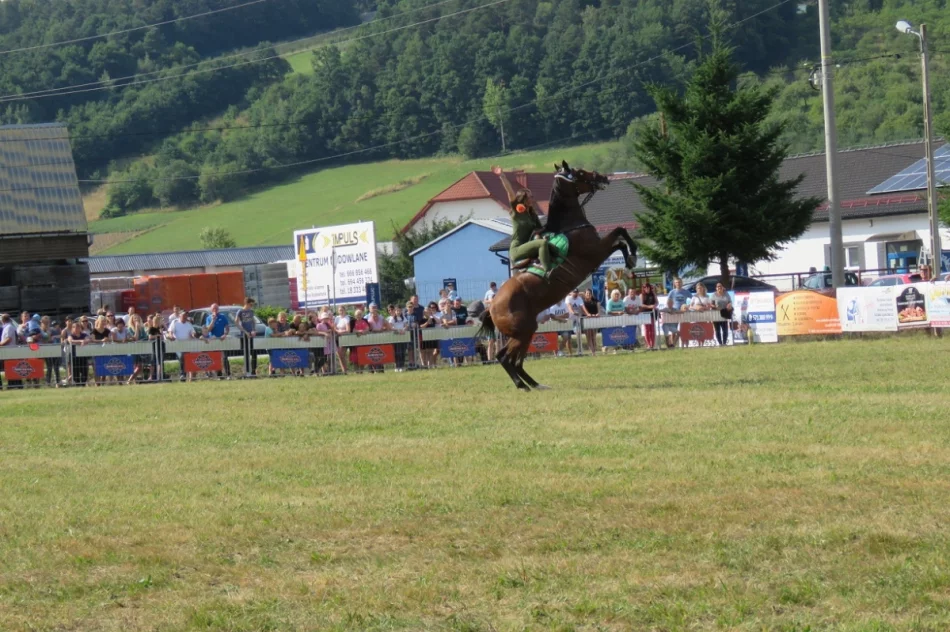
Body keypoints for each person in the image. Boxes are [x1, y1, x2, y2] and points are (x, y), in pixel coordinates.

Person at [492, 166, 552, 275]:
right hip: (517, 249)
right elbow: (510, 192)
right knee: (542, 243)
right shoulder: (517, 210)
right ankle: (548, 271)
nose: (532, 199)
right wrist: (502, 176)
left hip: (529, 246)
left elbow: (541, 229)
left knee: (549, 242)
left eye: (532, 196)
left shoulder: (533, 215)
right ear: (523, 199)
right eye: (529, 197)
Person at [167, 310, 198, 382]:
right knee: (182, 357)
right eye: (184, 315)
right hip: (178, 345)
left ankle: (184, 376)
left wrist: (193, 334)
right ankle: (182, 374)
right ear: (180, 315)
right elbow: (170, 332)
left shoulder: (188, 324)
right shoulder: (175, 322)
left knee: (186, 359)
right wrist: (171, 336)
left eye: (186, 315)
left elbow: (193, 332)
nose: (185, 317)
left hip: (187, 345)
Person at [204, 303, 231, 379]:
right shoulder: (208, 318)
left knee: (225, 357)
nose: (215, 310)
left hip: (222, 340)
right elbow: (208, 329)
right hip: (213, 340)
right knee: (216, 358)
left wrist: (225, 334)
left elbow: (227, 327)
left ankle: (228, 374)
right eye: (213, 309)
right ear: (211, 310)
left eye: (216, 308)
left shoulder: (222, 317)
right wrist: (213, 320)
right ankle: (219, 375)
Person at [664, 277, 692, 348]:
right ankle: (672, 345)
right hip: (675, 313)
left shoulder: (686, 292)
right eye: (676, 282)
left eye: (679, 282)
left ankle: (686, 345)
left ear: (682, 283)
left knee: (685, 329)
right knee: (674, 330)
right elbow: (668, 302)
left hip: (683, 313)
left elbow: (693, 300)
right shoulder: (672, 292)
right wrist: (670, 309)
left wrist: (688, 306)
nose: (678, 284)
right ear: (674, 284)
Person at [235, 297, 258, 377]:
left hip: (251, 334)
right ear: (247, 303)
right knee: (246, 353)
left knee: (253, 352)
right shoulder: (240, 311)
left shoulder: (251, 311)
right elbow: (237, 322)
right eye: (251, 305)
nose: (252, 306)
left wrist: (254, 330)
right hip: (244, 335)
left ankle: (253, 372)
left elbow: (253, 321)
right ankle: (247, 371)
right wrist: (245, 332)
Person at [66, 322, 90, 386]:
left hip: (83, 356)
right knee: (75, 373)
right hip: (74, 357)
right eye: (74, 327)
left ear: (80, 328)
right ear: (72, 329)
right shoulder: (70, 336)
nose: (76, 329)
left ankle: (83, 385)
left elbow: (88, 339)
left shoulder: (84, 335)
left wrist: (84, 341)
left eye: (78, 327)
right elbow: (70, 340)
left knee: (84, 372)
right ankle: (77, 385)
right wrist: (80, 341)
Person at [388, 304, 409, 372]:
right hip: (395, 337)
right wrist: (397, 330)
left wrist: (403, 330)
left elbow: (406, 325)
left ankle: (402, 366)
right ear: (395, 311)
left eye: (399, 310)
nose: (398, 312)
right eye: (397, 310)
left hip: (403, 337)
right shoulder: (392, 318)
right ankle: (397, 366)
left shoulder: (403, 317)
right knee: (397, 352)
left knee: (403, 352)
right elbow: (391, 327)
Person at [711, 282, 733, 346]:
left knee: (725, 330)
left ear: (722, 287)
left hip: (724, 313)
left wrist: (729, 304)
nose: (719, 287)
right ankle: (720, 343)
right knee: (717, 331)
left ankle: (724, 343)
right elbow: (711, 304)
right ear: (716, 288)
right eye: (718, 286)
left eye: (720, 286)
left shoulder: (726, 294)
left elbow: (730, 302)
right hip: (716, 314)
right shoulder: (713, 295)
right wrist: (715, 306)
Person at [640, 282, 659, 351]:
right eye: (645, 287)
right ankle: (648, 345)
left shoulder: (653, 294)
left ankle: (653, 344)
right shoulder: (641, 295)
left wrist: (654, 306)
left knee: (652, 329)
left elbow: (657, 302)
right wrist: (649, 306)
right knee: (647, 329)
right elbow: (641, 304)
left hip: (652, 313)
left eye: (647, 287)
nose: (646, 289)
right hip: (645, 313)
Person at [582, 288, 600, 356]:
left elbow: (598, 309)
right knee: (589, 336)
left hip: (594, 320)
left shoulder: (595, 301)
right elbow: (584, 310)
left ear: (592, 294)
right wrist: (589, 314)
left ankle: (594, 350)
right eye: (587, 294)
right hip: (586, 320)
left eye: (589, 293)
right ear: (585, 294)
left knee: (593, 336)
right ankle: (593, 352)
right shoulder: (583, 302)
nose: (588, 295)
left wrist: (598, 313)